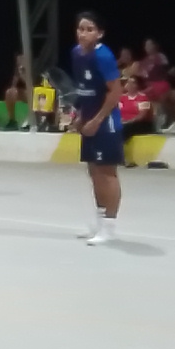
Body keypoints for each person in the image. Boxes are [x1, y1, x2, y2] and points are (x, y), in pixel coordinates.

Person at [70, 13, 124, 245]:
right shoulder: (76, 53)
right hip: (88, 119)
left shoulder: (103, 56)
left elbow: (116, 91)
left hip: (106, 122)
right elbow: (83, 88)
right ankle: (99, 222)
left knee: (106, 173)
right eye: (81, 29)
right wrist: (79, 115)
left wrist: (97, 120)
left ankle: (109, 227)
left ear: (99, 33)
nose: (83, 34)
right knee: (94, 172)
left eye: (89, 29)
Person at [115, 76, 155, 167]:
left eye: (132, 83)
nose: (129, 85)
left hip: (141, 123)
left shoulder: (142, 98)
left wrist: (128, 121)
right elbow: (118, 112)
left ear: (137, 85)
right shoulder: (122, 98)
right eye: (128, 82)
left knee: (125, 129)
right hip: (125, 122)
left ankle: (122, 157)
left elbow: (141, 116)